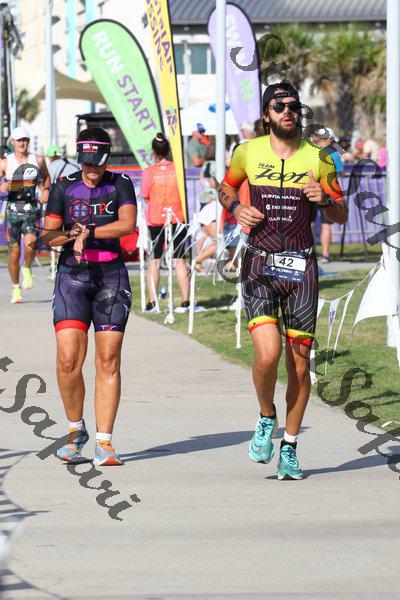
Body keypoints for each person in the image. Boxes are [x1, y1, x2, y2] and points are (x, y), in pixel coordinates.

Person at [218, 81, 348, 480]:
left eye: (293, 105)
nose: (288, 111)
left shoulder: (320, 158)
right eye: (279, 106)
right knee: (267, 355)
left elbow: (341, 212)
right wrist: (237, 208)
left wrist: (324, 199)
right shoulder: (247, 152)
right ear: (266, 115)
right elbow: (225, 188)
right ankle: (266, 415)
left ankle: (289, 446)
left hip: (302, 269)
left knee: (300, 365)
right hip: (259, 265)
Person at [43, 127, 137, 466]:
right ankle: (75, 430)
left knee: (108, 359)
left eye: (96, 162)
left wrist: (90, 231)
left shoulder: (120, 183)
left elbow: (127, 224)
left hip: (110, 276)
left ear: (107, 158)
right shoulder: (64, 186)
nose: (91, 169)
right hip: (72, 278)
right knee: (68, 360)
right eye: (85, 162)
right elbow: (49, 235)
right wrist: (71, 234)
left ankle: (104, 442)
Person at [0, 126, 50, 303]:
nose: (22, 143)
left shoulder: (38, 159)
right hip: (12, 212)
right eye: (19, 140)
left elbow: (46, 178)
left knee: (31, 246)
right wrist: (2, 186)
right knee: (14, 254)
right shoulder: (5, 162)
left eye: (25, 140)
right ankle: (16, 288)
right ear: (12, 142)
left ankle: (27, 267)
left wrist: (46, 190)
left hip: (31, 211)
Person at [141, 132, 190, 312]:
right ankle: (186, 301)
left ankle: (152, 301)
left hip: (156, 218)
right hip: (177, 217)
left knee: (154, 260)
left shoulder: (148, 172)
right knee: (179, 259)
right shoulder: (178, 169)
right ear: (168, 149)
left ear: (153, 151)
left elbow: (145, 195)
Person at [310, 128, 345, 263]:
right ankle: (325, 255)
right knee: (326, 224)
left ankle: (308, 253)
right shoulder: (333, 153)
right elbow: (341, 172)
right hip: (328, 191)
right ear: (329, 139)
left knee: (309, 223)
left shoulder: (310, 151)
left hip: (312, 189)